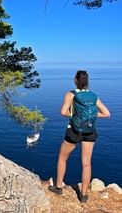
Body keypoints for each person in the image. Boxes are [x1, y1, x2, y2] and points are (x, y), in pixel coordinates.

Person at [48, 70, 110, 203]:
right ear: (87, 81)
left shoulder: (71, 94)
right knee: (86, 164)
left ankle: (58, 187)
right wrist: (92, 116)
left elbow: (63, 112)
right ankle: (83, 195)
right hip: (90, 132)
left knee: (62, 158)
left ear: (75, 80)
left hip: (74, 132)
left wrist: (77, 116)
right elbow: (106, 113)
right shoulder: (94, 96)